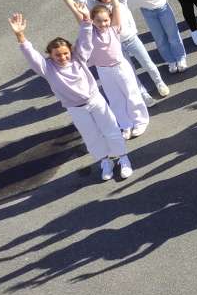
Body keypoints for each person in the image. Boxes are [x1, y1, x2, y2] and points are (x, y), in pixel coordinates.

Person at [10, 12, 132, 180]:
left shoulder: (79, 57)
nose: (62, 57)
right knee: (91, 137)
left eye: (65, 53)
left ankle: (123, 158)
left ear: (70, 51)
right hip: (76, 109)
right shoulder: (47, 68)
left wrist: (87, 22)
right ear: (50, 56)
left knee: (110, 129)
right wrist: (20, 35)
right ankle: (105, 161)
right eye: (57, 55)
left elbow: (85, 40)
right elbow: (31, 55)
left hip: (95, 101)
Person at [54, 0, 150, 140]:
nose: (103, 23)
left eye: (106, 20)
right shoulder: (89, 30)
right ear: (92, 20)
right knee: (115, 99)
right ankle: (125, 124)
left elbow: (116, 4)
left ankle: (140, 121)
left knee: (131, 94)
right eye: (98, 21)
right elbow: (74, 8)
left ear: (110, 18)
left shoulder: (114, 27)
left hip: (120, 67)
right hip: (104, 70)